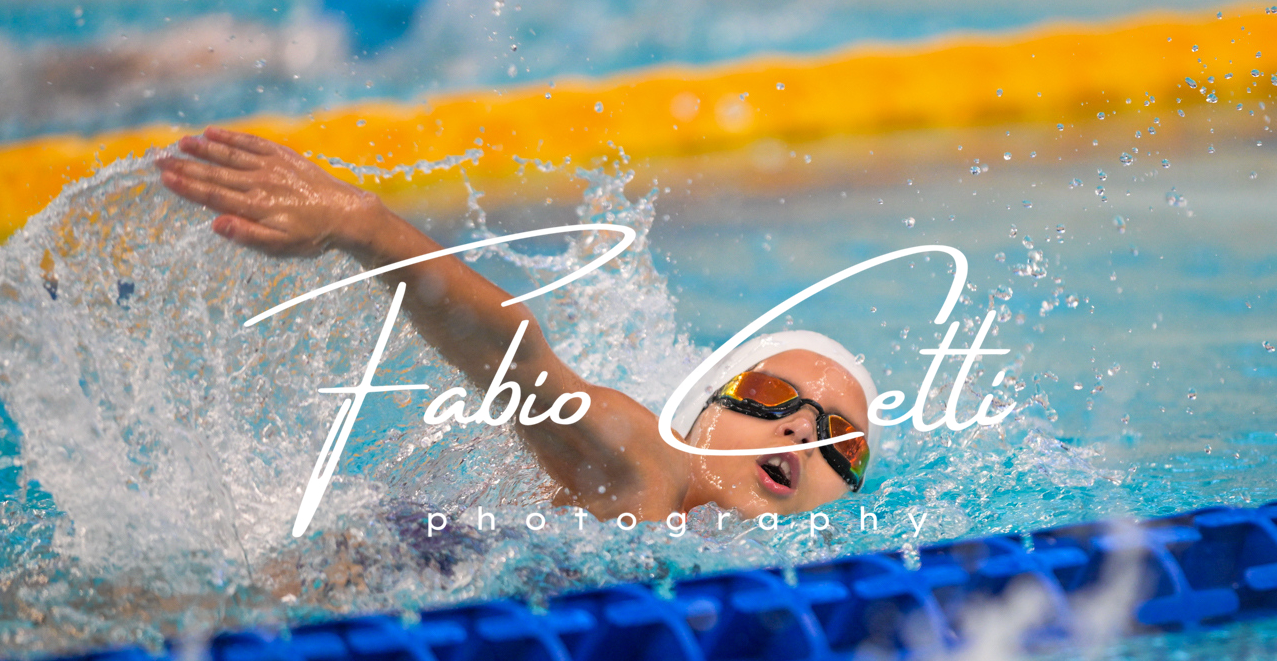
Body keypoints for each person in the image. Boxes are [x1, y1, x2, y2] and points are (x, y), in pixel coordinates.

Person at [157, 127, 877, 524]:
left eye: (841, 440)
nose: (802, 431)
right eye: (770, 395)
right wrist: (365, 228)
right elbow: (520, 360)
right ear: (699, 414)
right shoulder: (651, 469)